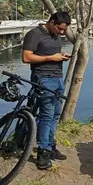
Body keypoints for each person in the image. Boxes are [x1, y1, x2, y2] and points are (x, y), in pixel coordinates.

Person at [22, 11, 72, 170]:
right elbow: (26, 57)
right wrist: (51, 58)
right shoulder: (33, 34)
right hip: (43, 79)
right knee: (46, 115)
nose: (61, 32)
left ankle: (50, 147)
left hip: (57, 78)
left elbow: (51, 54)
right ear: (51, 22)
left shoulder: (55, 35)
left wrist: (61, 56)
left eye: (64, 30)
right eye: (59, 29)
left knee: (55, 115)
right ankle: (42, 154)